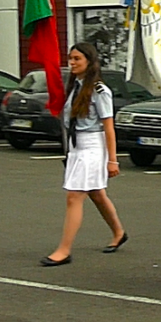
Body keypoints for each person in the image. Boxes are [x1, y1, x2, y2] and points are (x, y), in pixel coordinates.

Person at [41, 43, 126, 266]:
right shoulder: (75, 87)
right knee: (96, 193)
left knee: (74, 196)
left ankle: (64, 250)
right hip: (76, 145)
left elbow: (108, 126)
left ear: (89, 61)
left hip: (92, 145)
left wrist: (112, 160)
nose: (73, 63)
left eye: (77, 58)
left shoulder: (99, 90)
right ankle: (118, 232)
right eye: (71, 58)